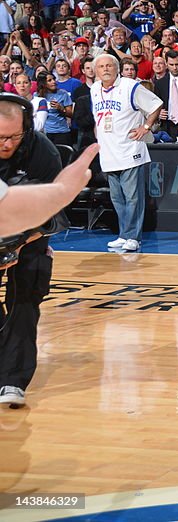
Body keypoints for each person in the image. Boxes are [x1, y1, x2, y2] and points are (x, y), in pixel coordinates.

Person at [0, 95, 63, 407]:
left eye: (14, 136)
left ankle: (13, 379)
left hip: (29, 230)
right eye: (0, 138)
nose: (7, 144)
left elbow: (54, 213)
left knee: (25, 298)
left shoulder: (43, 153)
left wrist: (18, 244)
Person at [90, 54, 163, 253]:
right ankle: (124, 234)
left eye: (109, 66)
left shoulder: (130, 86)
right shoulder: (94, 89)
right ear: (95, 71)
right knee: (117, 198)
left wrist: (146, 126)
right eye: (101, 67)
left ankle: (133, 237)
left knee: (133, 197)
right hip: (108, 151)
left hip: (130, 149)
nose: (105, 69)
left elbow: (156, 104)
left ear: (117, 69)